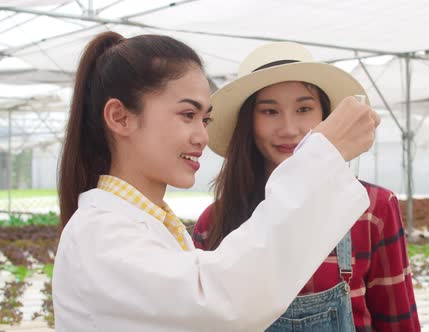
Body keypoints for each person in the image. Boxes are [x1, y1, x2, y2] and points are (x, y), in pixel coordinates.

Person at [52, 32, 380, 332]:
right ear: (120, 117)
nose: (202, 136)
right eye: (187, 115)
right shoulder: (100, 235)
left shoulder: (150, 227)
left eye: (205, 119)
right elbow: (226, 299)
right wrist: (321, 158)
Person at [193, 42, 420, 331]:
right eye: (269, 112)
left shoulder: (371, 208)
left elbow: (398, 322)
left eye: (304, 108)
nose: (289, 129)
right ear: (248, 123)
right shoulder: (214, 221)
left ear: (326, 117)